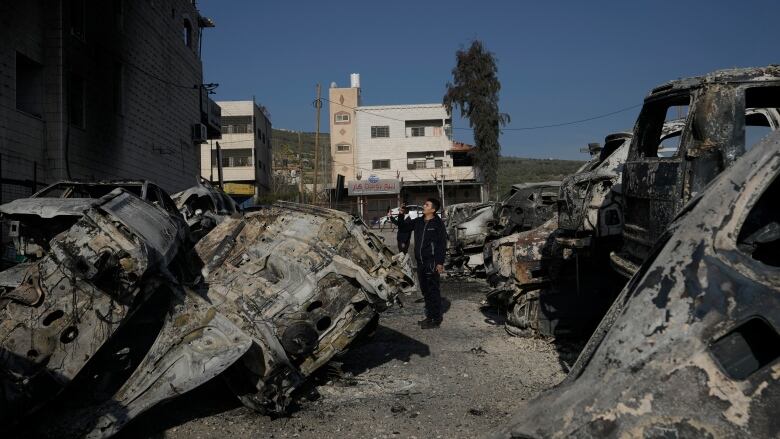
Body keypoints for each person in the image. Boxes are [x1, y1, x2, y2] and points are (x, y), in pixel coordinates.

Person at [397, 198, 446, 329]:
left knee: (433, 291)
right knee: (425, 292)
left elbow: (442, 244)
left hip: (431, 262)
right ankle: (429, 317)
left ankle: (436, 319)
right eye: (424, 204)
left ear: (433, 209)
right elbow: (402, 227)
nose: (424, 206)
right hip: (420, 263)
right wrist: (401, 214)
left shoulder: (438, 223)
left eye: (427, 205)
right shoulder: (418, 221)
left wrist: (440, 262)